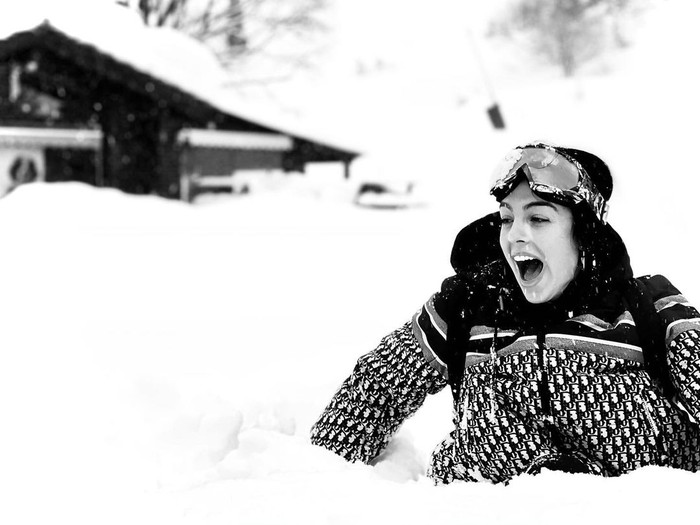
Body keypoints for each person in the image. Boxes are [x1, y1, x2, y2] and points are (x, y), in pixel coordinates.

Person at [310, 141, 700, 484]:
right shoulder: (466, 308)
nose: (515, 235)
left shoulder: (649, 307)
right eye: (507, 218)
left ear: (584, 235)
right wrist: (311, 480)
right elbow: (377, 388)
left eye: (538, 218)